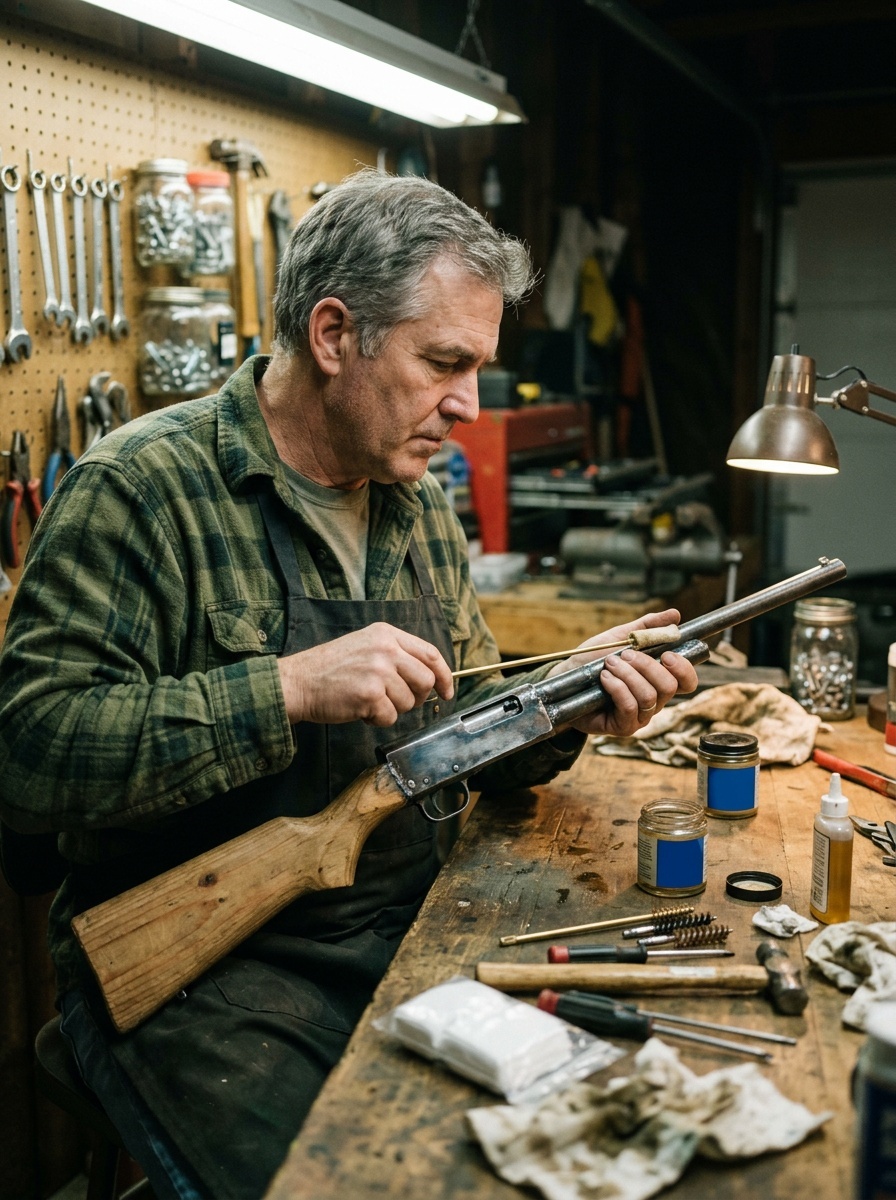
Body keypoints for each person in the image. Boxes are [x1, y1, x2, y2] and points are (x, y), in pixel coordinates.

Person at [0, 170, 696, 1198]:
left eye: (476, 368)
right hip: (206, 969)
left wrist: (570, 698)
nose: (467, 404)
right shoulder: (140, 488)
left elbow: (458, 729)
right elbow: (31, 757)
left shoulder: (413, 503)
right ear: (334, 336)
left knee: (599, 1136)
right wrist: (281, 686)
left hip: (403, 921)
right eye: (442, 364)